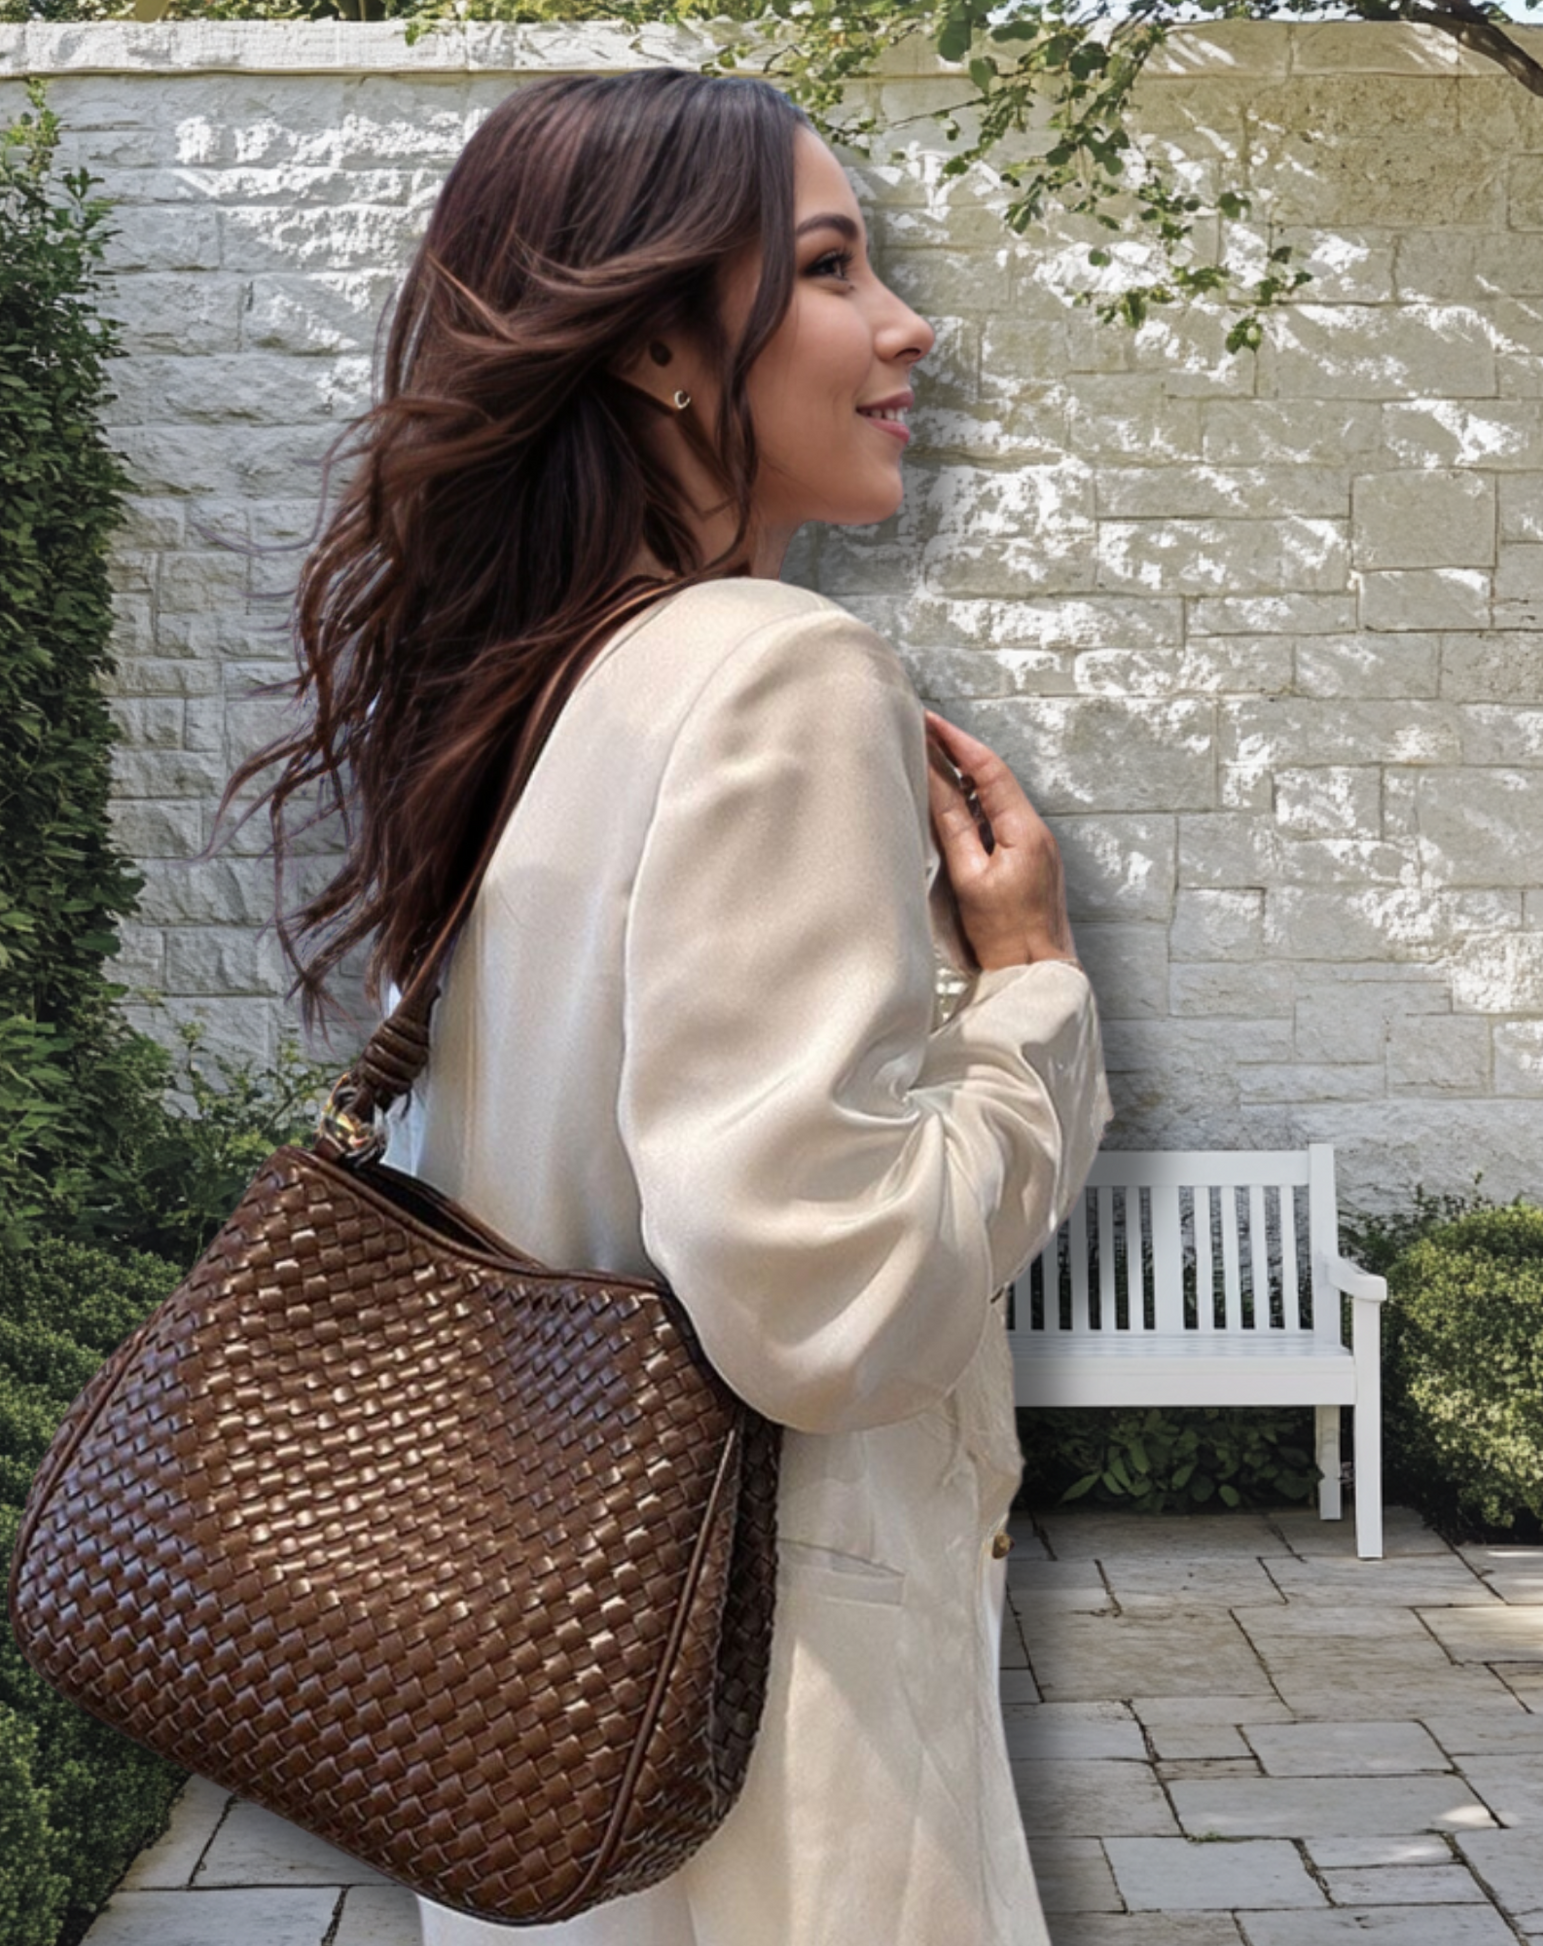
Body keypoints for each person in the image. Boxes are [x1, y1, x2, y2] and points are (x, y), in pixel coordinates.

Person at [215, 63, 1111, 1946]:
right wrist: (1028, 994)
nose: (907, 321)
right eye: (833, 266)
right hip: (767, 1751)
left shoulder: (543, 697)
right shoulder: (779, 673)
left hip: (551, 1721)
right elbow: (828, 1296)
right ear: (656, 351)